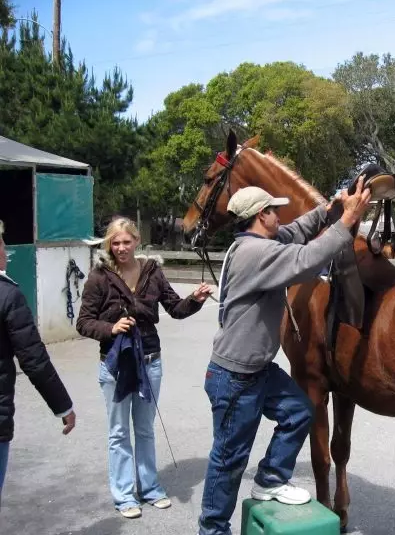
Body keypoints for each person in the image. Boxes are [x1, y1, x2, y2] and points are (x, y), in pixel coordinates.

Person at [198, 177, 371, 535]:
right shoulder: (257, 255)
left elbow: (295, 231)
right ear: (262, 215)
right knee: (228, 462)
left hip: (257, 369)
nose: (280, 216)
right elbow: (307, 259)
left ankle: (271, 477)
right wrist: (347, 222)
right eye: (274, 211)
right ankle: (212, 530)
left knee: (298, 410)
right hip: (235, 377)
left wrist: (328, 212)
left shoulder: (257, 240)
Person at [76, 217, 213, 519]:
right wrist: (110, 328)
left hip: (150, 361)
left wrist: (196, 299)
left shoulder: (153, 272)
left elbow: (175, 309)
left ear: (137, 241)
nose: (121, 248)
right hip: (115, 364)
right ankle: (124, 495)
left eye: (126, 241)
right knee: (118, 432)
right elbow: (83, 322)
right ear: (108, 244)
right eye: (115, 242)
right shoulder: (100, 276)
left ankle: (150, 488)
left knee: (144, 429)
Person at [0, 219, 76, 510]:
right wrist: (64, 407)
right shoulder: (8, 295)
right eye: (3, 244)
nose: (6, 252)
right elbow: (34, 360)